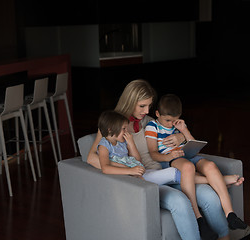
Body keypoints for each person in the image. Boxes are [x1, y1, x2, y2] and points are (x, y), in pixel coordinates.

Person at [87, 79, 243, 240]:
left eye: (149, 105)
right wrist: (126, 169)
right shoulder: (113, 125)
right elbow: (92, 157)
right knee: (181, 202)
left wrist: (179, 136)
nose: (147, 110)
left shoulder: (149, 121)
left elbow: (172, 130)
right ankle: (217, 181)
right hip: (148, 179)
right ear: (130, 101)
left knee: (210, 196)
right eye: (142, 106)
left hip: (169, 170)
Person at [145, 94, 246, 233]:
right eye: (168, 120)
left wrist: (184, 130)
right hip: (170, 159)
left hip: (187, 154)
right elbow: (153, 153)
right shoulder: (152, 126)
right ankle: (198, 217)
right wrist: (169, 156)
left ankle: (231, 215)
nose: (170, 124)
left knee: (210, 166)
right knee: (188, 167)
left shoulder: (177, 126)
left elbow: (193, 144)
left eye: (174, 120)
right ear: (157, 113)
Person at [97, 110, 181, 185]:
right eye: (124, 129)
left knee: (175, 173)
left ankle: (187, 178)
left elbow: (137, 160)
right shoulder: (104, 145)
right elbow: (105, 168)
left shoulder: (122, 142)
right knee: (173, 173)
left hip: (137, 172)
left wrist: (131, 143)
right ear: (110, 130)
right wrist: (130, 171)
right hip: (129, 176)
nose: (126, 131)